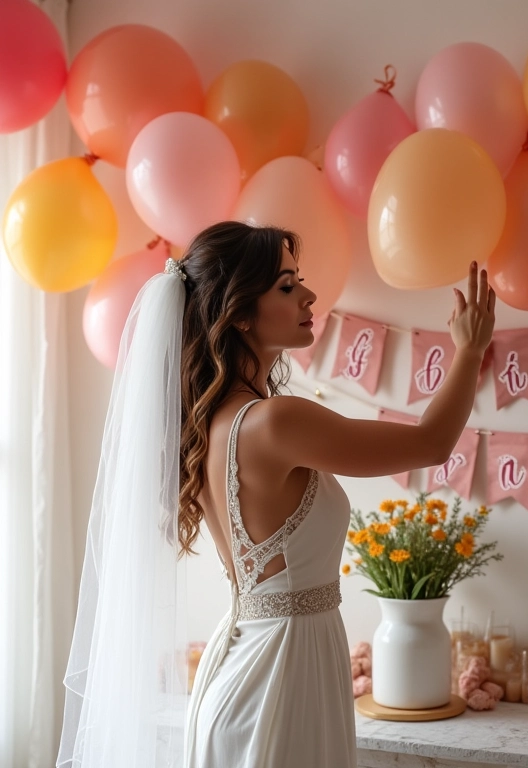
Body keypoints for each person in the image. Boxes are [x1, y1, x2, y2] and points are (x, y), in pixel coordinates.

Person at [57, 221, 495, 768]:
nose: (309, 295)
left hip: (258, 667)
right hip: (276, 680)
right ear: (239, 313)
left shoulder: (215, 423)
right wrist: (470, 350)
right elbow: (431, 444)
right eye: (286, 286)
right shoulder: (272, 423)